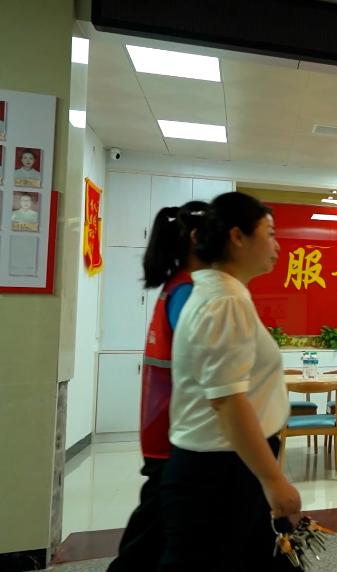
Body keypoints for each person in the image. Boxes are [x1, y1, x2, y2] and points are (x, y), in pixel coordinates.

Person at [160, 192, 299, 570]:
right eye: (269, 233)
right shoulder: (225, 301)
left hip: (228, 462)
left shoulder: (221, 293)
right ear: (238, 237)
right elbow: (228, 401)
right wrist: (274, 481)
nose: (277, 245)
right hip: (220, 470)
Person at [107, 201, 209, 572]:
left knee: (160, 531)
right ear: (197, 238)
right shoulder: (187, 292)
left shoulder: (179, 286)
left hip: (167, 431)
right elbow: (207, 364)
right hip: (175, 434)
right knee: (153, 536)